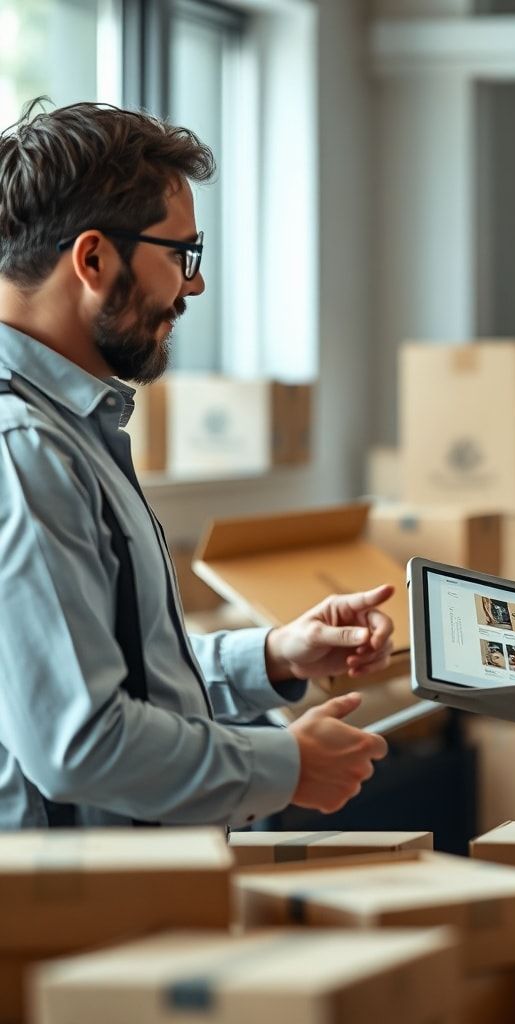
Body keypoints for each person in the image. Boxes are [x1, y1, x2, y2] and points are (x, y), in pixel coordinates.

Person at [0, 101, 393, 829]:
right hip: (72, 916)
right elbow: (77, 743)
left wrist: (275, 656)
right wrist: (288, 765)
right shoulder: (22, 449)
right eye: (181, 255)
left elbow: (122, 679)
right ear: (93, 260)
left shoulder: (69, 428)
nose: (194, 286)